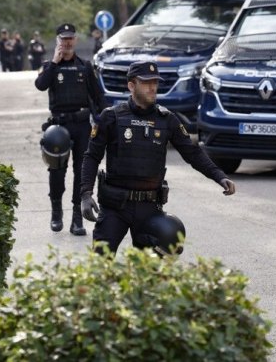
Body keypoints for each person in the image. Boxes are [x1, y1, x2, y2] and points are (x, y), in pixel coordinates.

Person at [79, 60, 236, 255]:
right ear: (131, 86)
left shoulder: (167, 119)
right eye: (146, 83)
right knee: (100, 265)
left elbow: (192, 153)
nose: (153, 87)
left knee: (152, 274)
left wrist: (219, 175)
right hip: (115, 206)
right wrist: (85, 193)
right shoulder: (111, 117)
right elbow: (91, 156)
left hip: (149, 209)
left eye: (155, 82)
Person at [35, 23, 105, 235]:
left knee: (81, 172)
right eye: (63, 39)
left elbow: (98, 96)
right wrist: (54, 63)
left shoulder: (85, 66)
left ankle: (77, 218)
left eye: (70, 38)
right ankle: (56, 211)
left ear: (74, 40)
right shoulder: (50, 66)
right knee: (57, 171)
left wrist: (104, 120)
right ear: (58, 41)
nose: (66, 42)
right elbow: (41, 85)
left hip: (82, 125)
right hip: (58, 126)